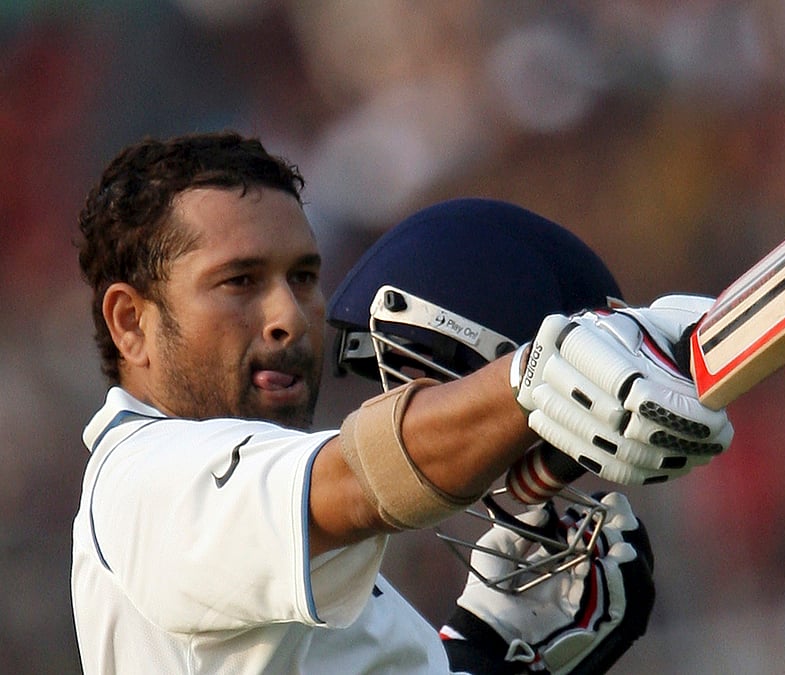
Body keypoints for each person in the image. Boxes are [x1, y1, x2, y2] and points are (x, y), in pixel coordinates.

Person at [71, 131, 733, 673]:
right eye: (240, 281)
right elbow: (360, 478)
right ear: (131, 322)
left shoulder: (275, 556)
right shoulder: (144, 480)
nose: (290, 318)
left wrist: (490, 653)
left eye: (302, 277)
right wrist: (537, 379)